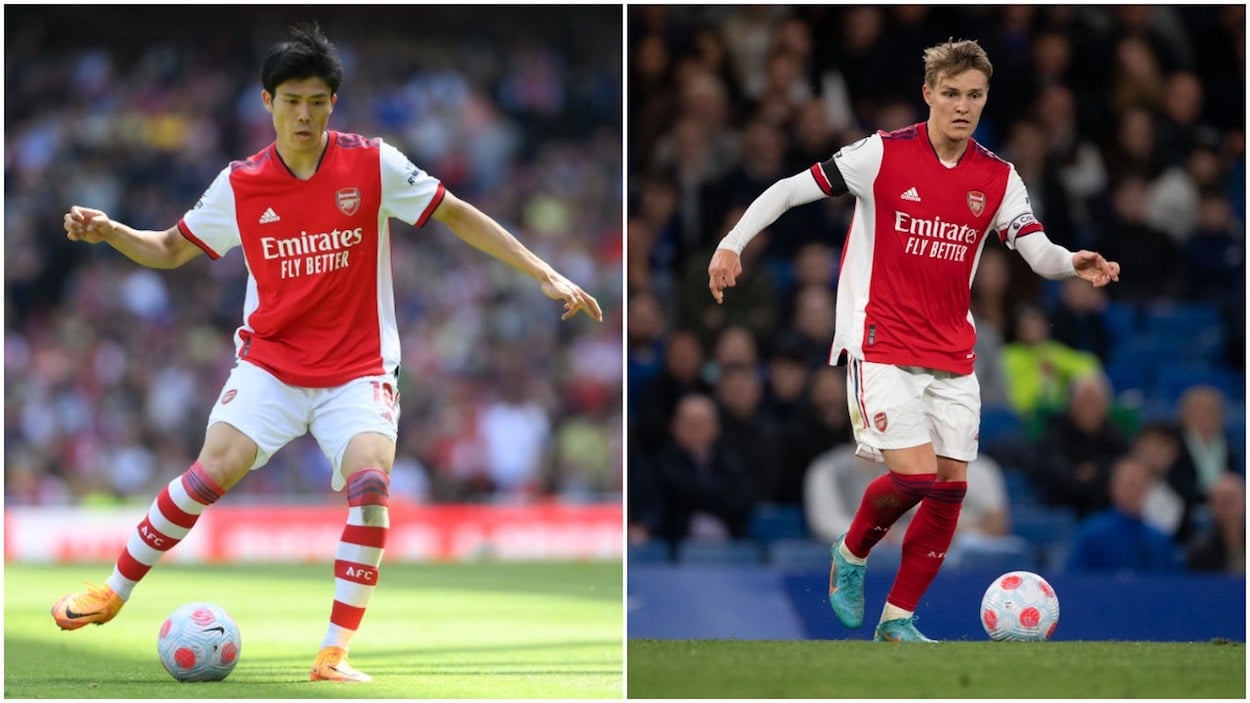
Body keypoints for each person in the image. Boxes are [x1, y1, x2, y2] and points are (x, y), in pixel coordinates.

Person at [51, 24, 601, 683]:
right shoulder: (241, 184)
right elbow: (170, 249)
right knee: (208, 473)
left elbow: (454, 212)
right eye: (291, 100)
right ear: (267, 102)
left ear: (332, 103)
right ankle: (113, 591)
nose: (304, 114)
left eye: (316, 100)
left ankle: (333, 652)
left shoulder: (372, 164)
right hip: (271, 364)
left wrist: (543, 271)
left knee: (371, 487)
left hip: (358, 368)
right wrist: (112, 231)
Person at [707, 38, 1120, 642]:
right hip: (881, 342)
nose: (962, 106)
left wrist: (1071, 261)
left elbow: (1036, 250)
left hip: (953, 350)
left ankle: (897, 620)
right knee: (917, 478)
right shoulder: (881, 156)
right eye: (950, 94)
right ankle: (850, 553)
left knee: (951, 488)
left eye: (974, 96)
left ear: (985, 99)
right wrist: (732, 243)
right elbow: (790, 189)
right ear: (928, 93)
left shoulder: (997, 178)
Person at [1066, 457, 1179, 573]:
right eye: (1130, 483)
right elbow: (1076, 579)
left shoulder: (1159, 539)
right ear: (1113, 487)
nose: (1135, 490)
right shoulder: (1092, 534)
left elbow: (1172, 583)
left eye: (1141, 483)